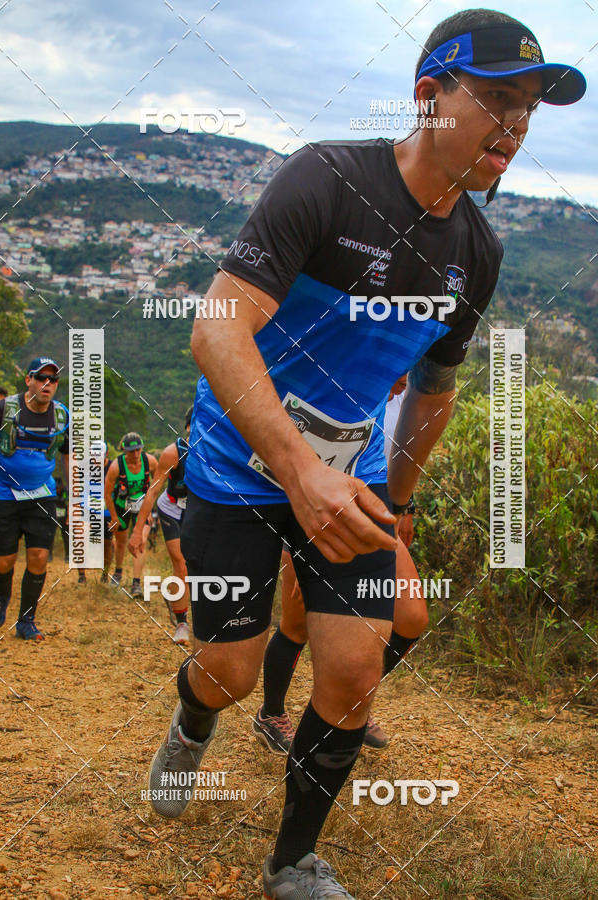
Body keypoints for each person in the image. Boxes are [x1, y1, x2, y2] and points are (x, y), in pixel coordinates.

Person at [147, 10, 585, 898]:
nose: (518, 127)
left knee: (352, 674)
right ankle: (194, 720)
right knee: (227, 669)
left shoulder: (477, 249)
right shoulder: (329, 178)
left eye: (531, 109)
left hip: (353, 478)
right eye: (499, 100)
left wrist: (401, 506)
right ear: (428, 99)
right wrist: (298, 470)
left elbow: (435, 390)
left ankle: (292, 862)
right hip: (241, 463)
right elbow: (217, 329)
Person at [253, 375, 424, 754]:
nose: (404, 380)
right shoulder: (338, 376)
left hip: (371, 508)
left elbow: (399, 453)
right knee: (297, 625)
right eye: (400, 373)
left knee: (411, 617)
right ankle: (271, 714)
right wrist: (299, 544)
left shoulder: (413, 395)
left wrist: (404, 506)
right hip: (308, 506)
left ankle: (344, 705)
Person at [0, 357, 69, 640]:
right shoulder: (5, 409)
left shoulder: (62, 416)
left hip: (42, 494)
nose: (47, 384)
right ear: (29, 380)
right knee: (4, 561)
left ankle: (26, 621)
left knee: (39, 557)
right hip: (3, 493)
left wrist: (76, 497)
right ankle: (1, 601)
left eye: (53, 380)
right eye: (41, 378)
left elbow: (69, 454)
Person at [129, 408, 193, 645]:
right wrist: (137, 531)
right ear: (188, 427)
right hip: (172, 508)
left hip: (198, 510)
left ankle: (174, 595)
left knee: (201, 566)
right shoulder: (173, 453)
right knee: (181, 564)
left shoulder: (217, 450)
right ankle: (182, 623)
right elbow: (153, 491)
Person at [104, 433, 157, 598]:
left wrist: (149, 511)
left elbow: (155, 488)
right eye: (131, 451)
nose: (135, 454)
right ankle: (118, 571)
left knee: (140, 540)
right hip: (121, 506)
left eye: (138, 450)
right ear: (124, 451)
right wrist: (113, 517)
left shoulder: (151, 462)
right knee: (121, 541)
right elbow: (107, 494)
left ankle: (136, 583)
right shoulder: (116, 467)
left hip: (143, 506)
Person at [77, 442, 115, 585]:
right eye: (93, 456)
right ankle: (81, 575)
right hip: (86, 508)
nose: (96, 460)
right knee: (81, 538)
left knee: (107, 544)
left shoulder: (113, 467)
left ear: (106, 455)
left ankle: (105, 574)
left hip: (105, 511)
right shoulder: (83, 465)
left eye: (99, 456)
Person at [50, 476, 69, 563]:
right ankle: (49, 555)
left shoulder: (66, 491)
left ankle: (68, 555)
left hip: (64, 517)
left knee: (66, 535)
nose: (57, 489)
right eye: (56, 488)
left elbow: (67, 501)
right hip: (53, 515)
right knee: (51, 535)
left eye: (58, 487)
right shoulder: (51, 491)